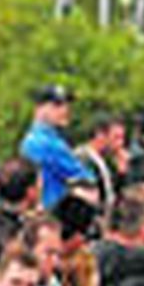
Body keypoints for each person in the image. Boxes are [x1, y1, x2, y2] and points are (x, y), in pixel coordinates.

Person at [19, 84, 91, 212]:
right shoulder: (43, 142)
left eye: (66, 104)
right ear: (39, 108)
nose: (65, 110)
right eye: (57, 105)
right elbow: (85, 178)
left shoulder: (47, 139)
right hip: (51, 212)